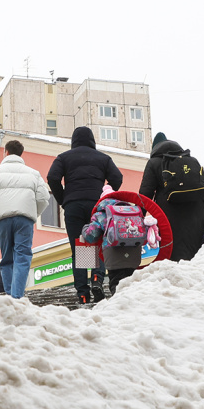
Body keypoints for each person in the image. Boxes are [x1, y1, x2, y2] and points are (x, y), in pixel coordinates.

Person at [47, 126, 123, 305]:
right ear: (92, 140)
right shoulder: (103, 158)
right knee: (97, 243)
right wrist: (106, 195)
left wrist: (64, 198)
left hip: (73, 206)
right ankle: (97, 279)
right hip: (96, 206)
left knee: (80, 247)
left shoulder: (64, 157)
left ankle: (82, 293)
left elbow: (52, 178)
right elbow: (117, 178)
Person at [0, 140, 49, 299]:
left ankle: (10, 296)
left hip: (2, 220)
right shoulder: (33, 173)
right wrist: (32, 212)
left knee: (7, 258)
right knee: (22, 257)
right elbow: (44, 198)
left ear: (6, 152)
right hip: (24, 219)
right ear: (21, 154)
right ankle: (17, 296)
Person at [139, 133, 204, 262]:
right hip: (197, 215)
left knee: (174, 257)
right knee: (194, 257)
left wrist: (138, 218)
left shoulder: (154, 163)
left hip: (169, 217)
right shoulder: (191, 161)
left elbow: (145, 193)